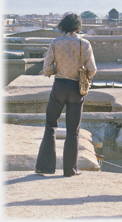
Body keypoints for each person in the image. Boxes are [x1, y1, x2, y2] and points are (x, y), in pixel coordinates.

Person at [35, 13, 97, 177]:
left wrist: (58, 70)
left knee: (50, 126)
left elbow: (47, 68)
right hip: (76, 89)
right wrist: (85, 78)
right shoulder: (84, 44)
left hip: (59, 86)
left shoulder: (55, 43)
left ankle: (45, 166)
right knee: (73, 131)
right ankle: (70, 169)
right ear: (78, 26)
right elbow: (92, 69)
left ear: (63, 25)